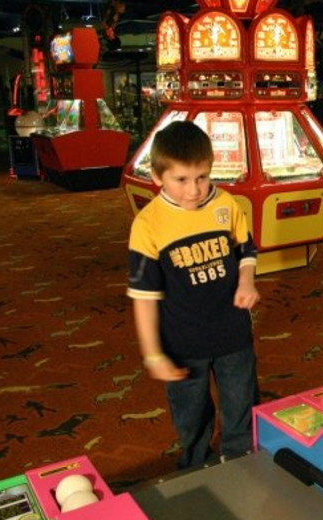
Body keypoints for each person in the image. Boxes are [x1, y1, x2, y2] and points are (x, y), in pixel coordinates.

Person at [127, 120, 260, 469]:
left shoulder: (227, 205)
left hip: (233, 333)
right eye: (181, 180)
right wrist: (153, 353)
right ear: (158, 177)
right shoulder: (147, 224)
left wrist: (247, 281)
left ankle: (242, 461)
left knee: (242, 406)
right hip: (182, 342)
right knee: (191, 414)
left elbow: (246, 252)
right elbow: (143, 297)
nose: (194, 190)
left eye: (202, 177)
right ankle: (197, 464)